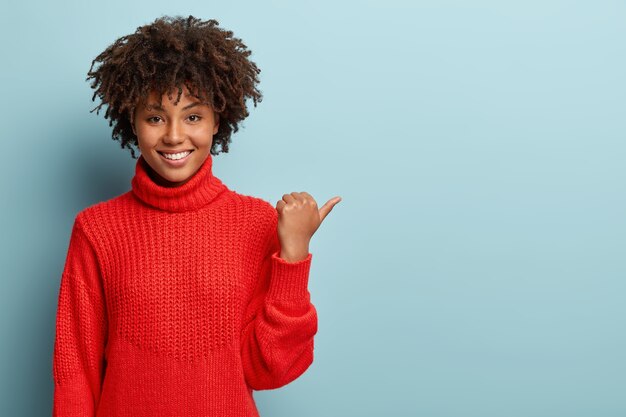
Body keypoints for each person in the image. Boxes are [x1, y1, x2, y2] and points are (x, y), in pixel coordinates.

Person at [51, 14, 341, 417]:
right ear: (131, 121)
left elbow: (270, 369)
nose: (173, 135)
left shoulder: (257, 223)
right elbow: (75, 370)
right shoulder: (96, 229)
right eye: (154, 117)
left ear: (216, 121)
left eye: (192, 116)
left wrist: (294, 255)